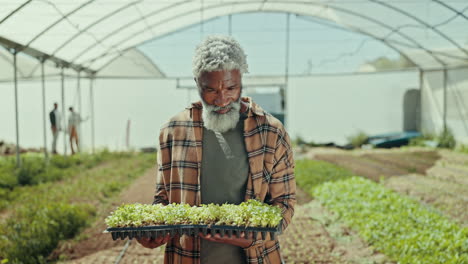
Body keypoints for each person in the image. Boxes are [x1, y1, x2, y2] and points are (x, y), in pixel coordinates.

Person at [137, 36, 296, 263]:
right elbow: (163, 197)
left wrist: (252, 237)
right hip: (187, 256)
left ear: (242, 79)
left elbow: (284, 204)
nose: (222, 100)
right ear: (196, 82)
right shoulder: (174, 131)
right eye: (210, 90)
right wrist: (154, 229)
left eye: (231, 88)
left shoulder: (270, 132)